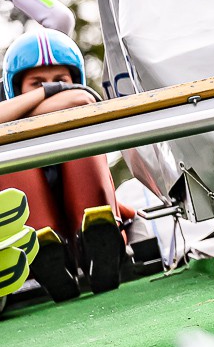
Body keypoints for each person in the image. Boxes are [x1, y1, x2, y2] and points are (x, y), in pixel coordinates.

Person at [0, 29, 127, 301]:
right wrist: (54, 93)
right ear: (16, 89)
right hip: (30, 232)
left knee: (81, 129)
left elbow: (82, 99)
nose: (49, 89)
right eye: (37, 84)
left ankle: (99, 239)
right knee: (8, 146)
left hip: (80, 221)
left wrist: (27, 106)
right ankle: (47, 252)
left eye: (60, 81)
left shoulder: (80, 101)